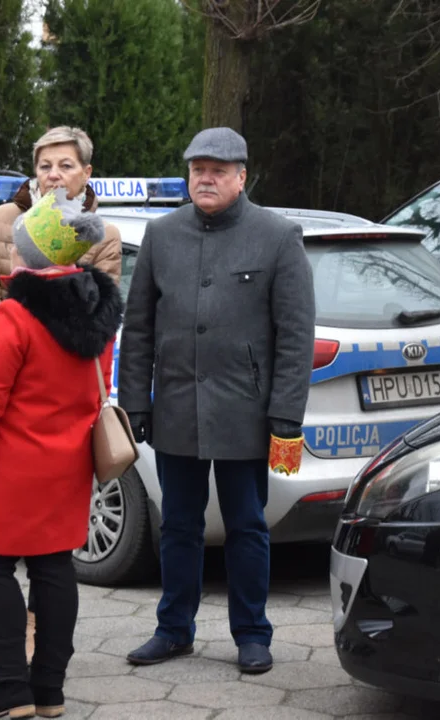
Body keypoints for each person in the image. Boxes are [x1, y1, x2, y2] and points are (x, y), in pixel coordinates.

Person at [117, 127, 315, 674]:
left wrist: (284, 417)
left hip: (246, 417)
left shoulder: (277, 237)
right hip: (176, 410)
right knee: (177, 526)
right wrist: (136, 399)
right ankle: (173, 629)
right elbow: (137, 328)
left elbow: (296, 337)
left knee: (247, 525)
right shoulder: (161, 235)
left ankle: (252, 633)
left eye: (219, 170)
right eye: (198, 169)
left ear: (242, 177)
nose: (206, 178)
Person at [0, 187, 122, 719]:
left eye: (17, 247)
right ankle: (50, 692)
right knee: (54, 569)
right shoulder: (93, 315)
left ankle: (10, 686)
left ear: (31, 255)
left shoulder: (16, 318)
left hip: (9, 471)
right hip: (67, 469)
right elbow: (94, 393)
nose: (11, 254)